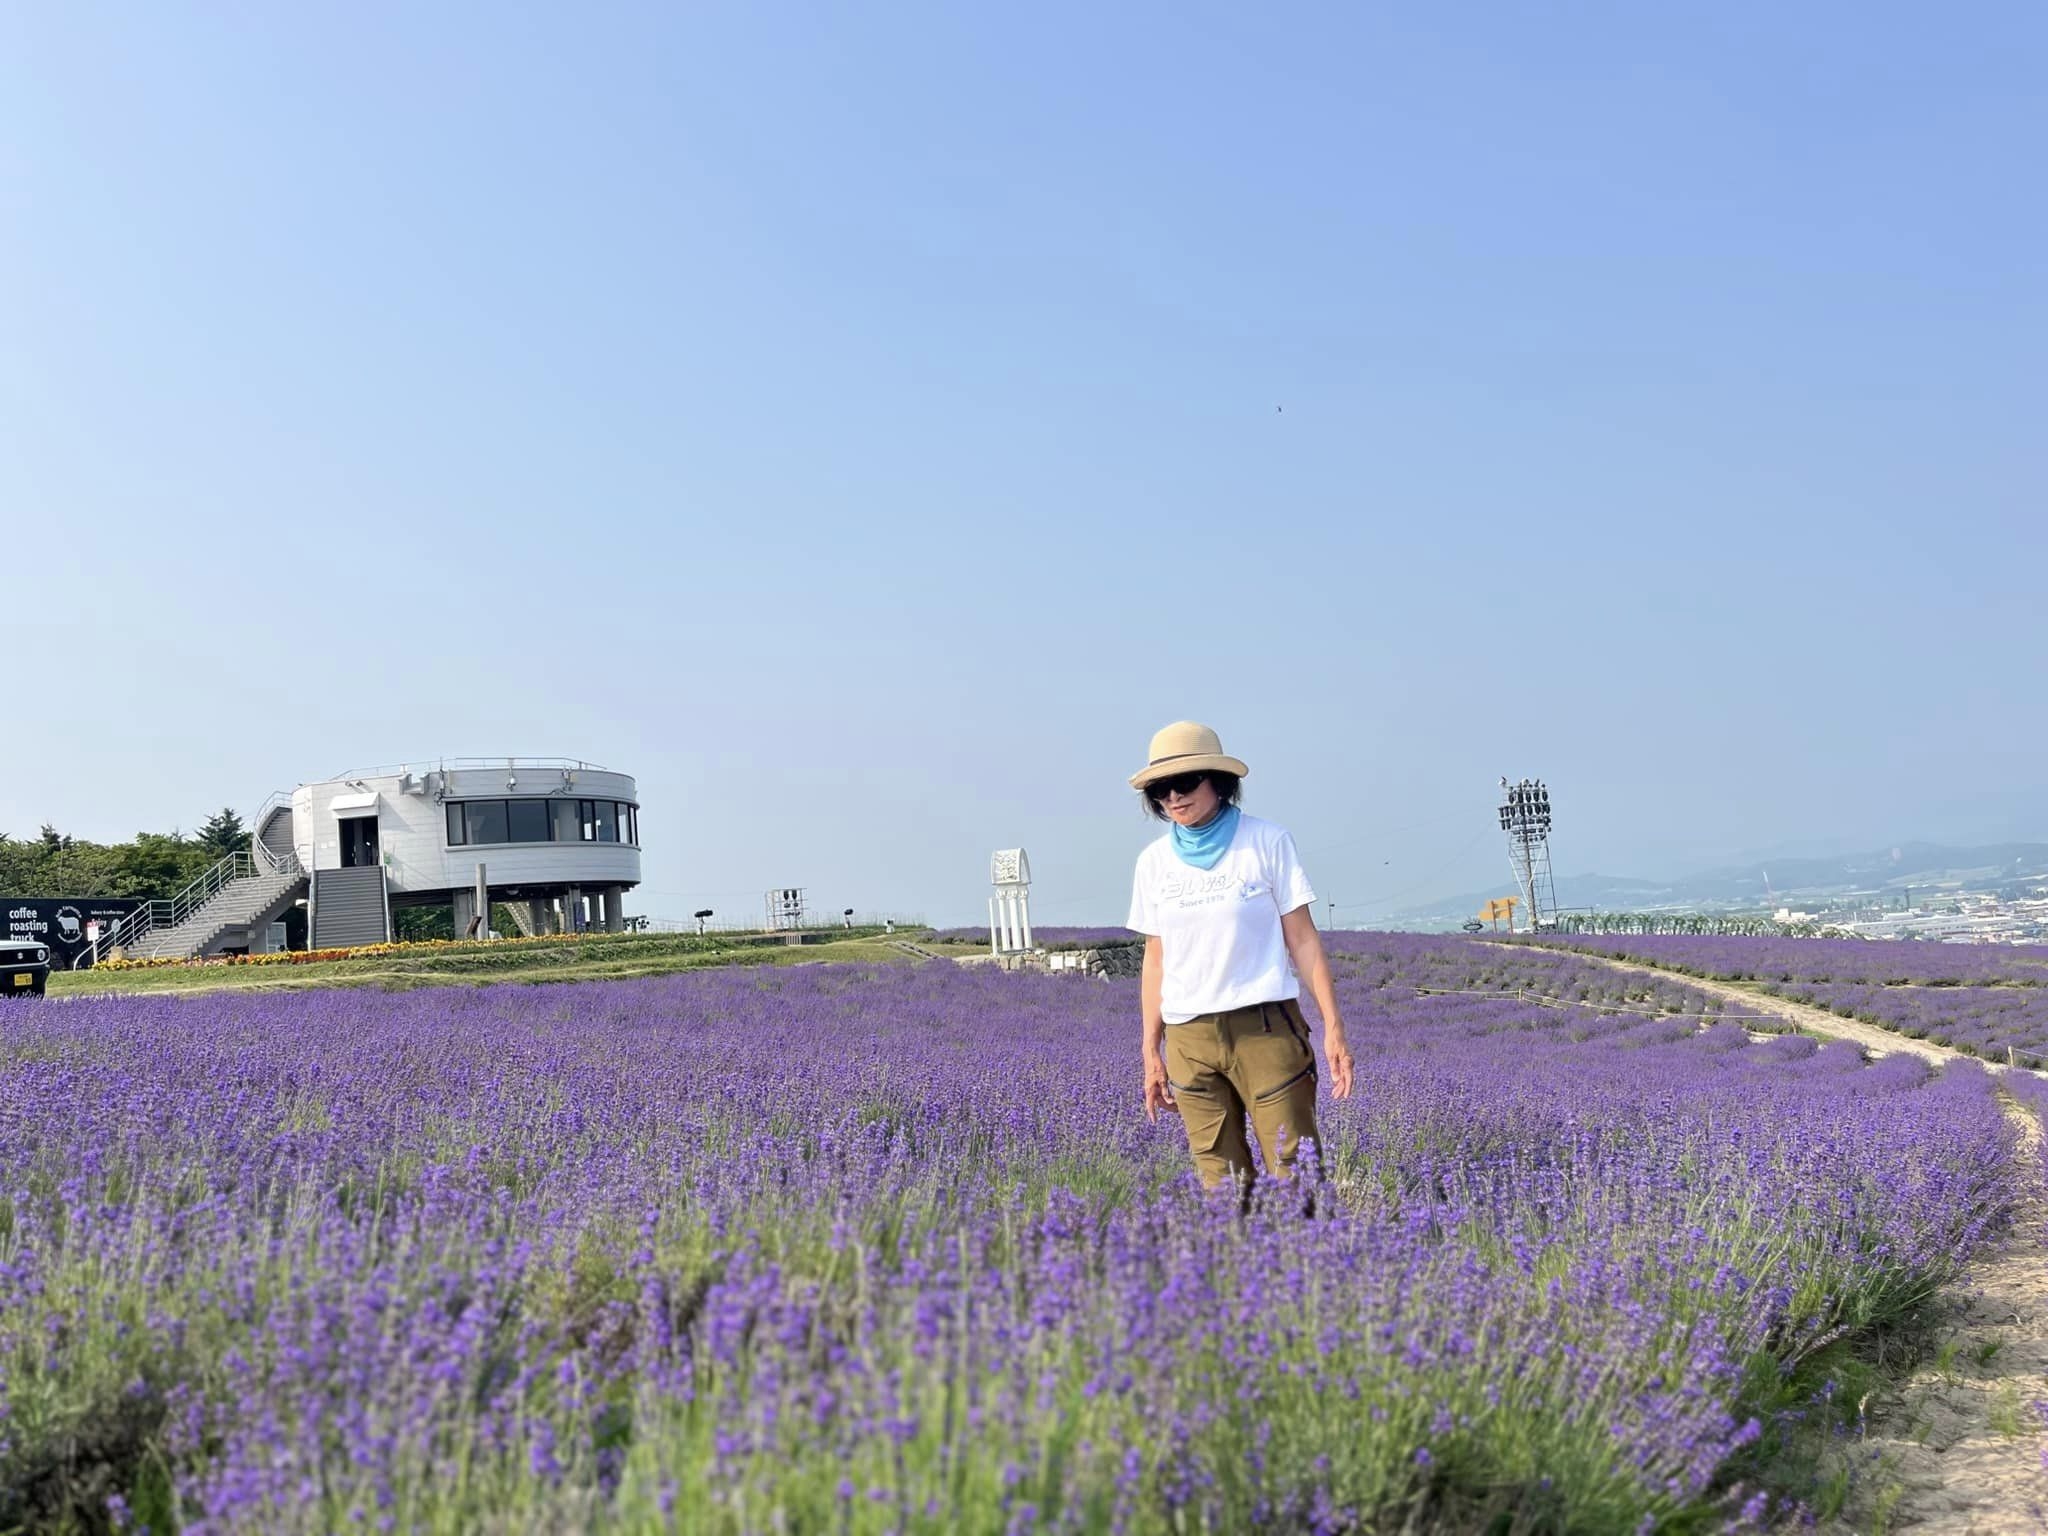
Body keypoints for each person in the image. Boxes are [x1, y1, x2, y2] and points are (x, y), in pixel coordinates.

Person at [1126, 721, 1354, 1194]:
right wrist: (1151, 1050)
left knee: (1295, 1174)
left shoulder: (1266, 842)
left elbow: (1303, 939)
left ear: (1218, 780)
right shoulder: (1152, 863)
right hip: (1189, 1040)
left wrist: (1333, 1025)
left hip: (1265, 1029)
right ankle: (1237, 1247)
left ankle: (1308, 1246)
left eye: (1185, 782)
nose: (1173, 796)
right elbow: (1156, 960)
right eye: (1160, 789)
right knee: (1221, 1184)